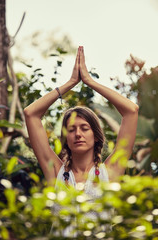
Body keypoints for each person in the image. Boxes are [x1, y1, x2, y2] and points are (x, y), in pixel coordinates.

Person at [24, 46, 139, 192]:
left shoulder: (109, 173)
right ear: (66, 138)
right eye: (71, 130)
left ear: (96, 136)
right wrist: (70, 82)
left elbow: (131, 111)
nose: (78, 134)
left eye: (84, 128)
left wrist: (90, 81)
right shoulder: (55, 173)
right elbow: (30, 114)